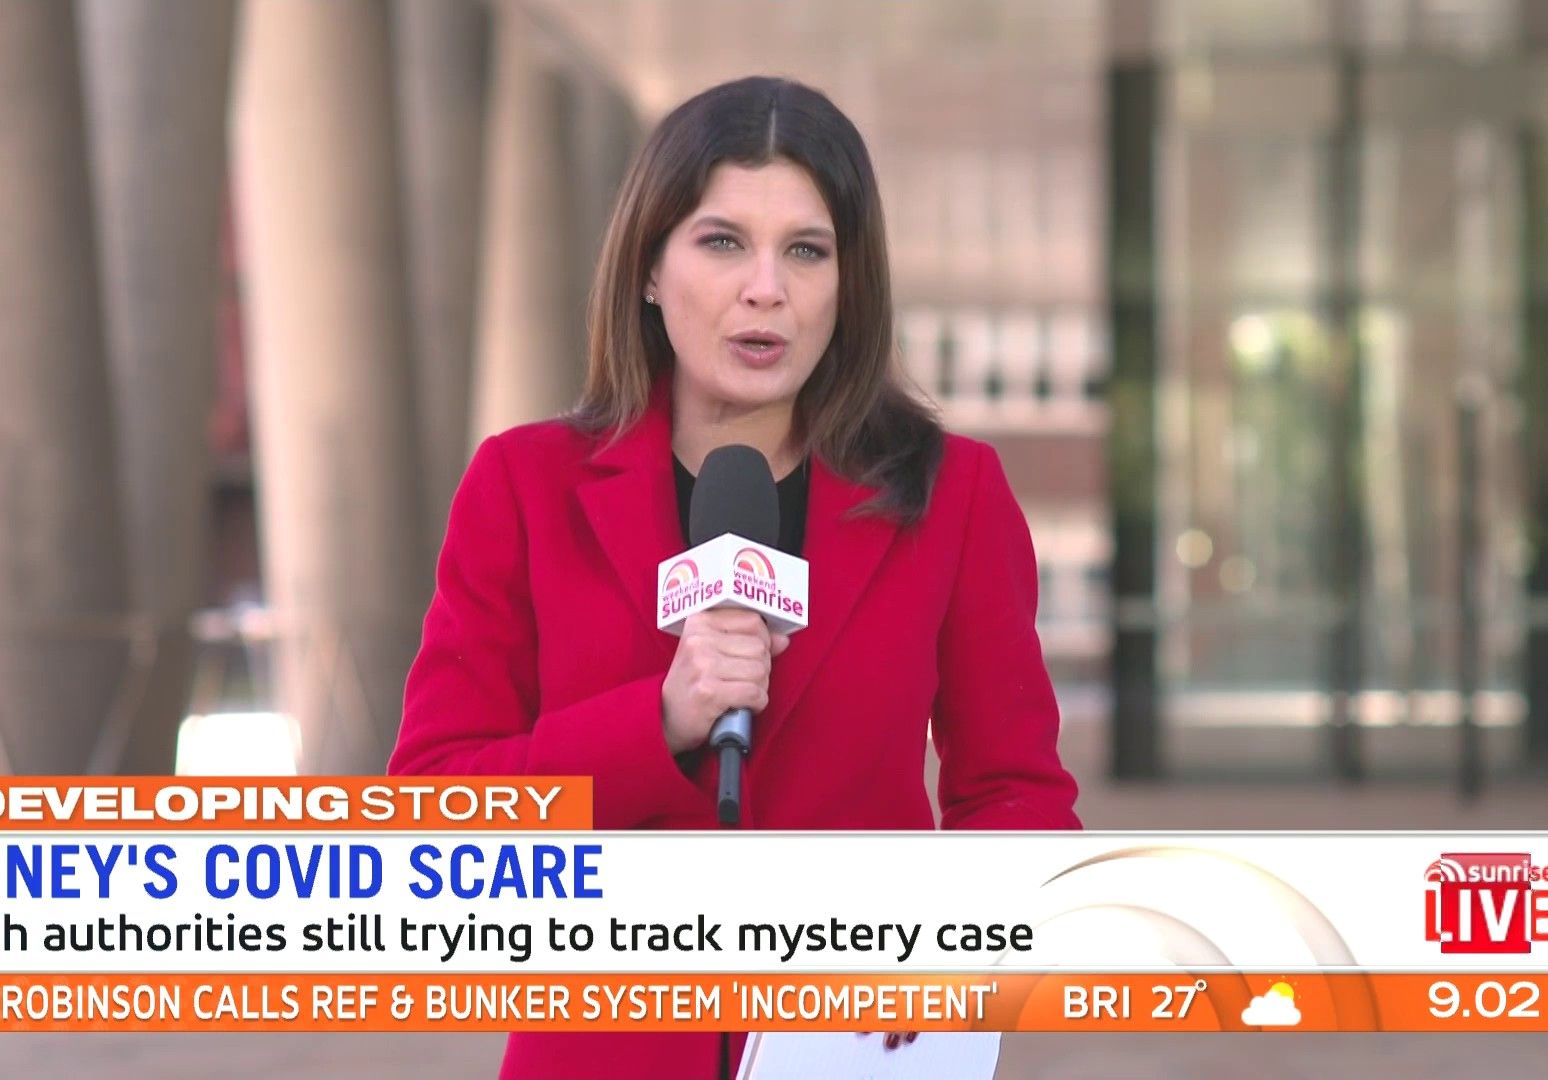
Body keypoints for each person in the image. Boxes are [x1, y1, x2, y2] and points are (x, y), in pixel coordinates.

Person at [389, 75, 1080, 1080]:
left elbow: (1017, 793)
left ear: (849, 283)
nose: (766, 289)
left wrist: (949, 939)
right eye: (722, 242)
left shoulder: (952, 494)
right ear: (649, 269)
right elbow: (435, 816)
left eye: (806, 250)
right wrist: (659, 720)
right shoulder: (523, 486)